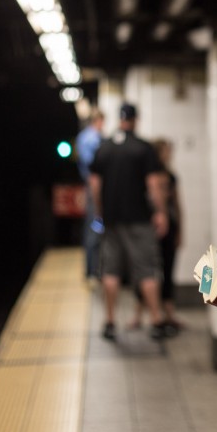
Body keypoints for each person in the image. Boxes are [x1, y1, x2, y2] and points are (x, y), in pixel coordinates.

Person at [88, 103, 170, 341]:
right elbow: (153, 185)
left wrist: (100, 212)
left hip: (112, 220)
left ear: (119, 119)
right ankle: (156, 320)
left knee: (110, 270)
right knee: (147, 269)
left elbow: (95, 184)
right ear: (136, 119)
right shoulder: (143, 148)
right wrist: (161, 211)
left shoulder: (104, 147)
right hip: (139, 220)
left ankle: (110, 321)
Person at [129, 138, 184, 334]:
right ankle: (140, 313)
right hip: (148, 227)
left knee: (167, 269)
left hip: (168, 226)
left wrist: (179, 230)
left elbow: (177, 206)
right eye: (165, 151)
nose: (168, 154)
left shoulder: (171, 176)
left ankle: (168, 313)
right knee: (145, 270)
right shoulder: (145, 175)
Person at [76, 108, 105, 282]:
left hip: (90, 186)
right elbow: (95, 169)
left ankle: (93, 270)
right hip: (95, 188)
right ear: (99, 121)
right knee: (95, 227)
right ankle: (92, 271)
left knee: (93, 227)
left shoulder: (82, 137)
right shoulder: (93, 139)